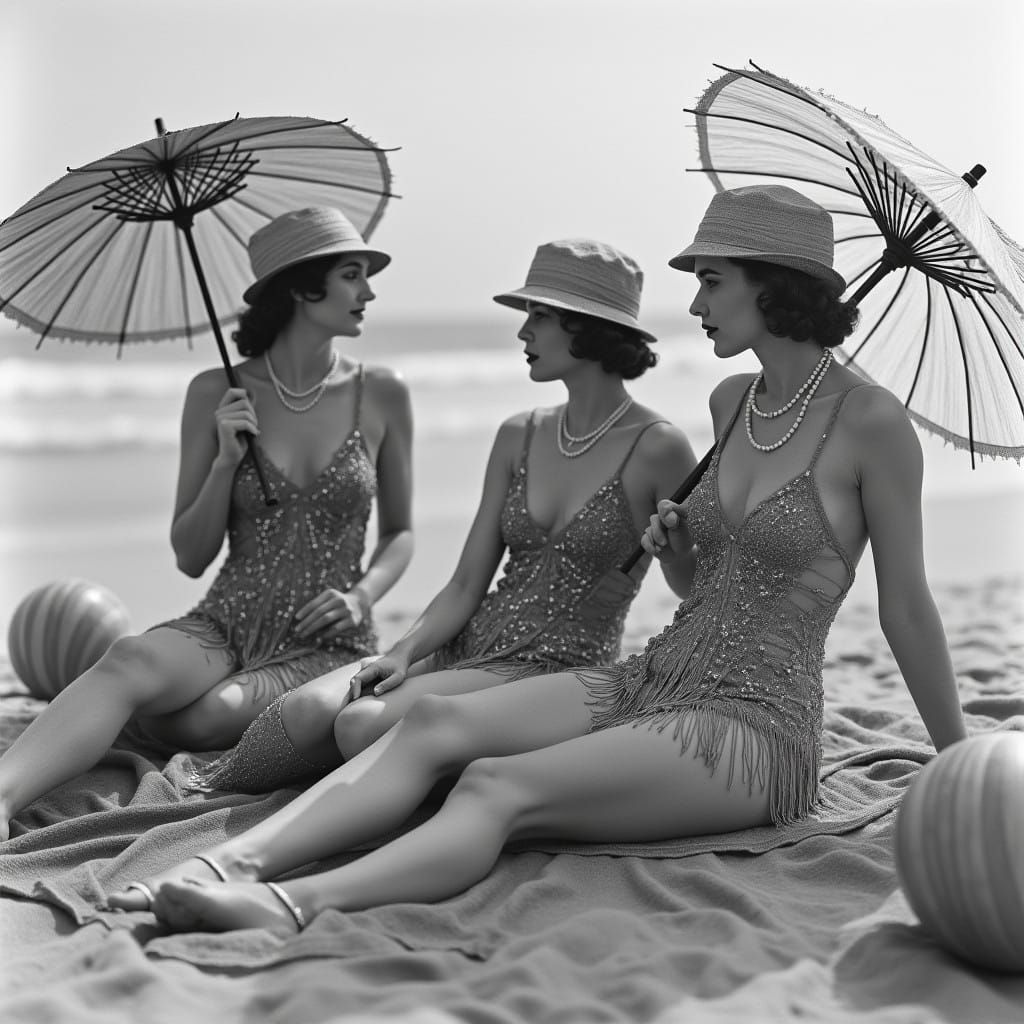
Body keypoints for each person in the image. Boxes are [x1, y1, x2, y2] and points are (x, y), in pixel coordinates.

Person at [108, 185, 967, 933]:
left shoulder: (873, 423)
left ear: (772, 287)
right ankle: (225, 866)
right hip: (652, 675)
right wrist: (674, 546)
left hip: (752, 724)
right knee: (434, 723)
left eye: (711, 280)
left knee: (493, 788)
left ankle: (292, 904)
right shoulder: (733, 399)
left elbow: (907, 609)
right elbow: (706, 588)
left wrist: (955, 754)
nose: (695, 302)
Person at [185, 237, 696, 794]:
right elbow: (465, 583)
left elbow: (699, 584)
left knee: (360, 726)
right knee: (308, 710)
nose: (523, 332)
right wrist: (403, 654)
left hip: (554, 667)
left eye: (540, 316)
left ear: (588, 327)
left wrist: (676, 561)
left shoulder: (659, 446)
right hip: (466, 642)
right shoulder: (518, 433)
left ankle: (399, 781)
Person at [0, 207, 414, 842]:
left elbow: (400, 534)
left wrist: (362, 595)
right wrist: (224, 461)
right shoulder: (213, 393)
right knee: (129, 655)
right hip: (224, 620)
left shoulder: (382, 392)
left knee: (202, 719)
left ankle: (92, 714)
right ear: (304, 287)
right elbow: (190, 555)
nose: (370, 292)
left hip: (323, 638)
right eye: (352, 275)